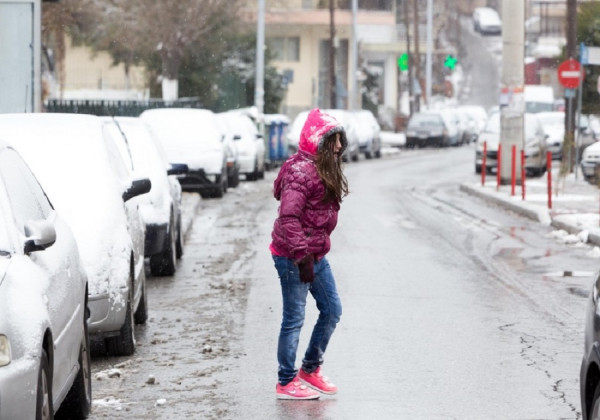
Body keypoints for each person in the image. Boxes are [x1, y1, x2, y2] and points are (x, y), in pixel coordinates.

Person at [270, 108, 349, 400]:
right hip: (293, 256)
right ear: (319, 140)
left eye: (341, 139)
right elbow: (288, 219)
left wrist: (310, 255)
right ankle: (286, 381)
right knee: (294, 318)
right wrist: (301, 257)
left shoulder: (322, 168)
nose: (339, 146)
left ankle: (310, 369)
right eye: (333, 140)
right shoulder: (301, 172)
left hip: (314, 254)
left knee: (332, 310)